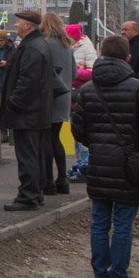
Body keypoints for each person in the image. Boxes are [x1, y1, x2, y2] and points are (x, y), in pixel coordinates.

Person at [71, 34, 139, 278]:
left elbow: (79, 130)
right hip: (129, 165)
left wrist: (98, 145)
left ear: (101, 55)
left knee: (99, 223)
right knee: (123, 225)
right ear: (128, 57)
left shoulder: (87, 90)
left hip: (99, 163)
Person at [0, 10, 53, 211]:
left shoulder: (32, 48)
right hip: (35, 112)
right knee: (35, 155)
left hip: (27, 113)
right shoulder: (36, 45)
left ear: (28, 25)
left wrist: (13, 104)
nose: (16, 25)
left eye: (19, 22)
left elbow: (27, 82)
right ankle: (36, 193)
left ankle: (28, 197)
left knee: (28, 156)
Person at [40, 13, 76, 195]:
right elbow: (74, 73)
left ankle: (48, 182)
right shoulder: (67, 46)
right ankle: (63, 179)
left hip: (49, 96)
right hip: (64, 97)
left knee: (46, 139)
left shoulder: (45, 44)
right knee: (56, 138)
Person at [67, 23, 96, 184]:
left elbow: (92, 72)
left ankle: (85, 166)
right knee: (76, 133)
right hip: (74, 93)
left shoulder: (86, 48)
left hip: (81, 93)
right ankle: (80, 164)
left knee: (82, 134)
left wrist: (74, 72)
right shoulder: (73, 47)